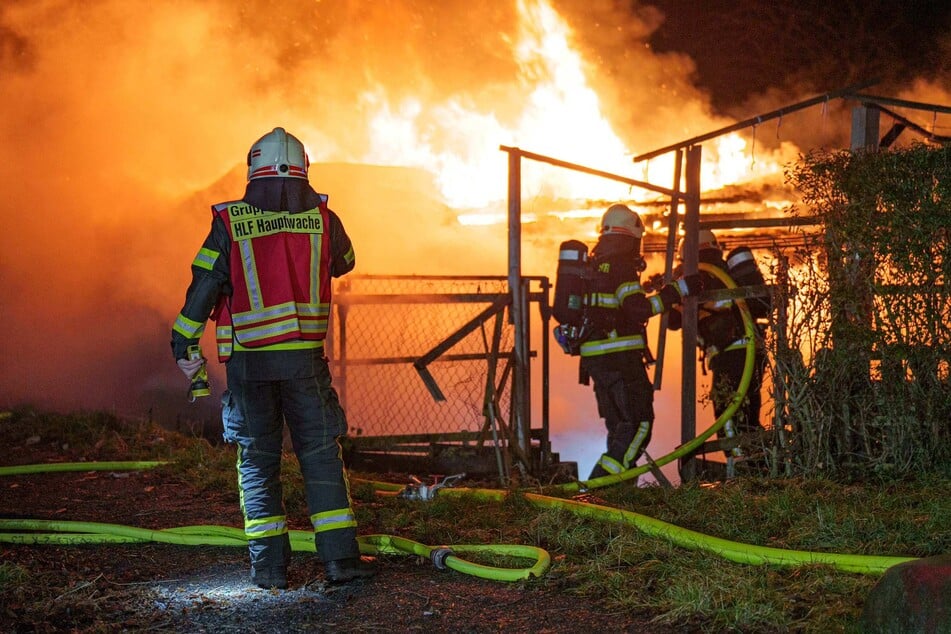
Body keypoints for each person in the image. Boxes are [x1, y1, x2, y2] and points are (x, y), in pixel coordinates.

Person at [171, 127, 375, 589]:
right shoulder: (325, 218)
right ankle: (341, 563)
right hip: (305, 362)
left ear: (252, 168)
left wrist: (184, 342)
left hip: (249, 366)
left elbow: (204, 286)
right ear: (304, 167)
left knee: (259, 461)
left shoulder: (229, 222)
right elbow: (345, 260)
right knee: (321, 456)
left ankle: (270, 571)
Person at [580, 204, 702, 480]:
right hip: (620, 358)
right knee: (639, 425)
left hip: (597, 361)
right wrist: (676, 291)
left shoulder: (595, 264)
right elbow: (638, 310)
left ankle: (619, 494)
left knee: (620, 427)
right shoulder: (622, 265)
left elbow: (618, 303)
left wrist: (652, 287)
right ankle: (598, 486)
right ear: (631, 237)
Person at [667, 229, 771, 462]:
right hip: (753, 350)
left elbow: (672, 322)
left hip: (729, 354)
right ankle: (760, 464)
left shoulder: (693, 277)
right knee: (749, 415)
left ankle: (743, 468)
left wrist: (672, 289)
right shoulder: (727, 272)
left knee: (728, 414)